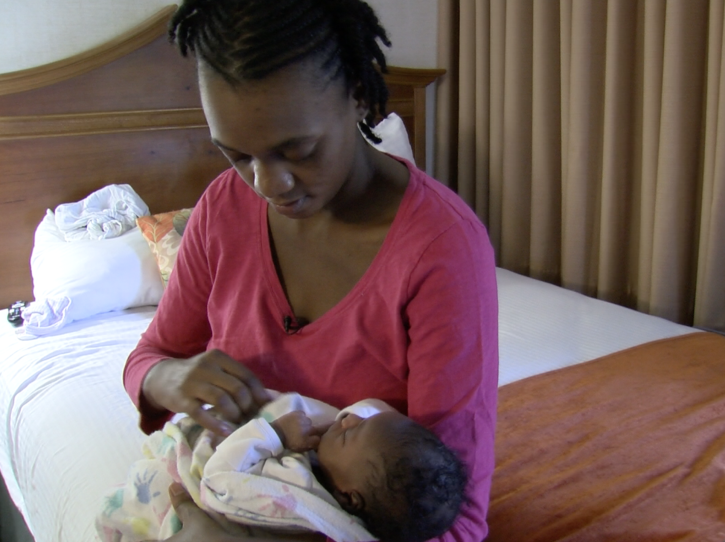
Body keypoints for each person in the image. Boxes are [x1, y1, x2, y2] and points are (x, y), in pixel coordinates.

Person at [121, 1, 499, 541]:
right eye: (236, 155)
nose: (266, 185)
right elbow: (149, 360)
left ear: (360, 97)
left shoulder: (442, 249)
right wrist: (167, 378)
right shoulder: (222, 209)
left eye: (297, 150)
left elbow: (457, 519)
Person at [98, 393, 467, 542]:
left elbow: (218, 481)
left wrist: (272, 434)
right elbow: (375, 412)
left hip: (200, 512)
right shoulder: (363, 498)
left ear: (350, 497)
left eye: (352, 434)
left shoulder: (296, 492)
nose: (348, 420)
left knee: (154, 484)